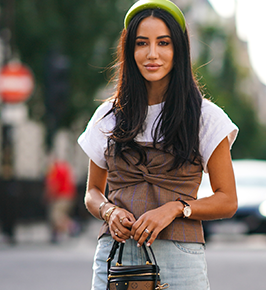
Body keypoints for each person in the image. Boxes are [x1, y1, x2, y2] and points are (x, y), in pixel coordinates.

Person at [78, 0, 238, 289]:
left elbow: (227, 199)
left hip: (181, 259)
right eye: (142, 43)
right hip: (115, 257)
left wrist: (176, 208)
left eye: (163, 43)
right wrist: (109, 211)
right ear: (130, 50)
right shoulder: (108, 115)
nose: (152, 54)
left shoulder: (205, 116)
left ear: (178, 49)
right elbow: (92, 192)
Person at [45, 157, 78, 243]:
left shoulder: (55, 170)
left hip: (61, 196)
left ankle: (73, 227)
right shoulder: (64, 167)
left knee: (56, 216)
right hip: (69, 195)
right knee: (61, 215)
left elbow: (54, 184)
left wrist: (49, 195)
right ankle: (57, 234)